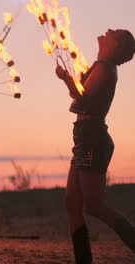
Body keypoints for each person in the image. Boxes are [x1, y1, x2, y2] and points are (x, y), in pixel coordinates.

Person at [55, 29, 135, 263]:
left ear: (116, 46)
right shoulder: (100, 65)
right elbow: (81, 94)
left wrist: (65, 78)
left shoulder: (105, 67)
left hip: (92, 138)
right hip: (84, 137)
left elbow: (83, 98)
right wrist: (70, 78)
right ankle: (83, 259)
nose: (107, 30)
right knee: (72, 201)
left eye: (114, 33)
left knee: (95, 206)